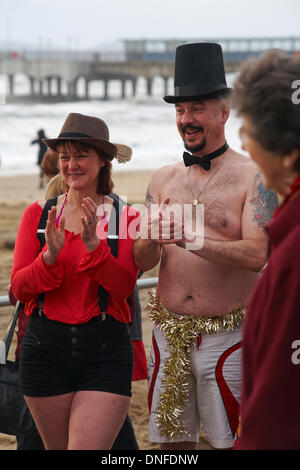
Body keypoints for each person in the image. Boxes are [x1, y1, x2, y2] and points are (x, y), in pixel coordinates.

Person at [133, 42, 278, 450]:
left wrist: (192, 238)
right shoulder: (161, 179)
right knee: (170, 448)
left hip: (230, 335)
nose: (186, 119)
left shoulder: (255, 176)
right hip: (167, 333)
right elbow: (140, 262)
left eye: (196, 108)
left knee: (231, 442)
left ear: (224, 111)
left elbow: (257, 255)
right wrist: (150, 238)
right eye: (180, 110)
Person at [11, 112, 140, 450]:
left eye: (81, 155)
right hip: (43, 351)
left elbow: (124, 289)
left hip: (104, 351)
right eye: (65, 156)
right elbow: (18, 290)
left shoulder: (126, 217)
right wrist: (47, 259)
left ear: (103, 160)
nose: (71, 165)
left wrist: (97, 251)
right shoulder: (37, 215)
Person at [230, 49, 300, 450]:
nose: (247, 151)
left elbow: (279, 403)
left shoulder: (293, 255)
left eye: (248, 136)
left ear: (289, 154)